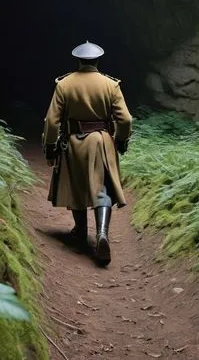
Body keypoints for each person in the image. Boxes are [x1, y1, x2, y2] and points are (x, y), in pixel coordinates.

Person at [42, 41, 132, 265]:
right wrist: (121, 140)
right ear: (98, 61)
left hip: (73, 141)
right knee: (102, 188)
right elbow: (126, 119)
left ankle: (80, 230)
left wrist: (51, 147)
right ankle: (102, 233)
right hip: (101, 141)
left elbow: (52, 122)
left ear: (79, 61)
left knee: (76, 183)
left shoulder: (64, 84)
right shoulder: (110, 85)